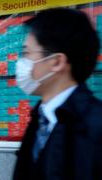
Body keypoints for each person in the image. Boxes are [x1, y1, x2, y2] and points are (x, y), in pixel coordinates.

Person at [13, 8, 102, 180]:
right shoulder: (39, 119)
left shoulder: (96, 127)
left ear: (57, 62)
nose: (21, 63)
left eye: (27, 53)